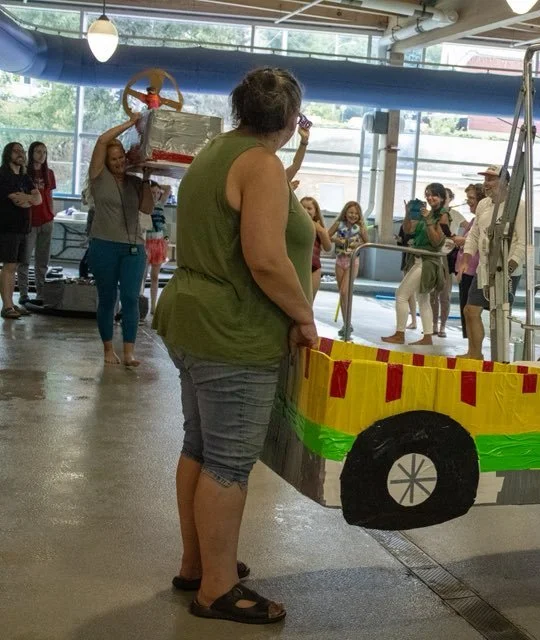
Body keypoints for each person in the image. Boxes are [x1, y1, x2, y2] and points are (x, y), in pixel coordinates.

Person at [153, 67, 315, 625]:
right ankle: (217, 589)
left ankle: (197, 564)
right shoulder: (262, 165)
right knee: (227, 462)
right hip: (233, 331)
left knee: (199, 447)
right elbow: (266, 258)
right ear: (291, 121)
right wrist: (304, 316)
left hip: (192, 318)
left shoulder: (214, 151)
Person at [86, 114, 154, 366]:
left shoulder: (134, 182)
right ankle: (107, 350)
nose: (118, 162)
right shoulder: (98, 177)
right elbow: (103, 140)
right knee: (107, 298)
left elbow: (146, 209)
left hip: (133, 247)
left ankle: (129, 352)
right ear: (105, 161)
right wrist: (132, 122)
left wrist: (146, 179)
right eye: (113, 159)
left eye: (121, 158)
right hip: (103, 244)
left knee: (130, 297)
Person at [459, 165, 525, 360]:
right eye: (485, 179)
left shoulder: (518, 208)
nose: (486, 184)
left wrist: (509, 268)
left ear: (505, 182)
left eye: (491, 179)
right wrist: (466, 258)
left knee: (501, 315)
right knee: (470, 310)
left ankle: (502, 356)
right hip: (485, 268)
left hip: (507, 270)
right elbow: (474, 234)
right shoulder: (483, 205)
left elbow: (523, 242)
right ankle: (475, 354)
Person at [382, 184, 448, 346]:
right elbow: (408, 230)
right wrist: (407, 213)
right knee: (423, 299)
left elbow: (437, 240)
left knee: (401, 294)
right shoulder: (429, 214)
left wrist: (428, 220)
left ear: (442, 197)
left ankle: (400, 333)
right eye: (428, 195)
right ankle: (427, 337)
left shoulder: (442, 215)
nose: (430, 198)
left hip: (427, 262)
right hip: (420, 260)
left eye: (434, 195)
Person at [1, 142, 42, 319]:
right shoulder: (3, 175)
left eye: (22, 151)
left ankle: (11, 303)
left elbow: (38, 199)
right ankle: (7, 306)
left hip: (23, 228)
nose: (21, 154)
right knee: (8, 266)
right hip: (8, 228)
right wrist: (29, 198)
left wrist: (29, 198)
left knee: (15, 266)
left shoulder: (25, 177)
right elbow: (17, 200)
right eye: (16, 151)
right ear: (7, 154)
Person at [17, 141, 56, 306]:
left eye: (45, 152)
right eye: (38, 151)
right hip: (30, 222)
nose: (42, 155)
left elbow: (49, 196)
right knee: (25, 259)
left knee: (42, 261)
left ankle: (41, 294)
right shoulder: (24, 173)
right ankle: (24, 294)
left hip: (47, 221)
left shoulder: (49, 173)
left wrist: (51, 215)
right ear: (32, 153)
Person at [430, 187, 468, 338]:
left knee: (445, 294)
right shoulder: (433, 214)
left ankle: (443, 326)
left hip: (447, 256)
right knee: (433, 293)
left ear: (450, 198)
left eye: (445, 197)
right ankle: (433, 324)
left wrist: (459, 241)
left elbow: (470, 228)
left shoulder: (456, 215)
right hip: (433, 254)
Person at [329, 200, 367, 336]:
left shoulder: (360, 227)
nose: (353, 215)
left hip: (352, 261)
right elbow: (327, 235)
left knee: (345, 292)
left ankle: (348, 323)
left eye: (356, 213)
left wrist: (359, 242)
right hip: (340, 260)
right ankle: (346, 324)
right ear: (345, 213)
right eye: (351, 212)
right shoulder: (339, 224)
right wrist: (336, 240)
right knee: (342, 293)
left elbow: (367, 242)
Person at [455, 183, 483, 339]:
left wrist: (460, 240)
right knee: (467, 311)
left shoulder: (481, 221)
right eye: (468, 198)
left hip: (473, 270)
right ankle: (472, 349)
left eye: (472, 198)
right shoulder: (474, 220)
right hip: (466, 269)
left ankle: (475, 350)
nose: (468, 201)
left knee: (471, 311)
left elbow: (472, 242)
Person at [145, 180, 172, 315]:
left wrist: (158, 187)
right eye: (152, 192)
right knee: (143, 275)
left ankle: (153, 305)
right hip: (146, 242)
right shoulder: (144, 204)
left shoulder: (160, 204)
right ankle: (140, 303)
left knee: (155, 276)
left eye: (157, 193)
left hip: (158, 242)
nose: (155, 195)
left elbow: (168, 188)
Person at [300, 196, 332, 302]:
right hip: (298, 266)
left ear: (315, 212)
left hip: (314, 268)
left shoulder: (319, 228)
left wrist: (321, 230)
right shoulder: (295, 225)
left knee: (309, 302)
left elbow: (328, 247)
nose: (305, 211)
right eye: (302, 207)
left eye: (309, 208)